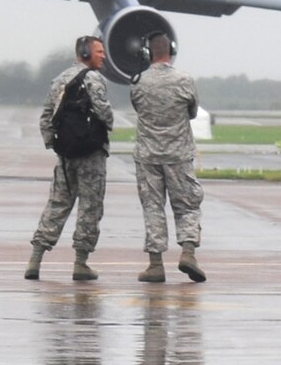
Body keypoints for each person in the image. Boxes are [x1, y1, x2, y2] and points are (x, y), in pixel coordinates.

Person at [27, 35, 113, 282]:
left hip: (65, 155)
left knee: (57, 203)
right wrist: (107, 126)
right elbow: (103, 112)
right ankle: (81, 262)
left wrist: (54, 143)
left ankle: (36, 258)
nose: (103, 56)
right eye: (99, 52)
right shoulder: (95, 79)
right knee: (90, 206)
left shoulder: (59, 80)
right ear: (85, 54)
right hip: (91, 155)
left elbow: (46, 116)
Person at [128, 31, 205, 283]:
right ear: (171, 50)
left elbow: (137, 107)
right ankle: (188, 252)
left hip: (148, 155)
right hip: (179, 155)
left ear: (148, 53)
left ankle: (155, 264)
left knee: (153, 207)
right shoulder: (184, 80)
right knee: (187, 206)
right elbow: (192, 112)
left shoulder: (138, 81)